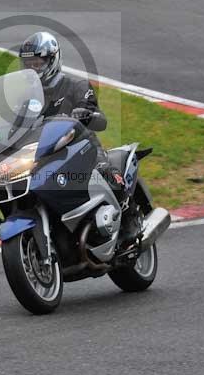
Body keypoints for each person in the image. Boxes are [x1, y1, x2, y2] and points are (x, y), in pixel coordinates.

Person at [19, 31, 139, 244]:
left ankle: (130, 220)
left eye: (38, 63)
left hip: (81, 146)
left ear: (52, 60)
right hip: (45, 155)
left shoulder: (77, 86)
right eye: (29, 65)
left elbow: (96, 114)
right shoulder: (26, 99)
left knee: (106, 173)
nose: (33, 69)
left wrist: (84, 113)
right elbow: (15, 126)